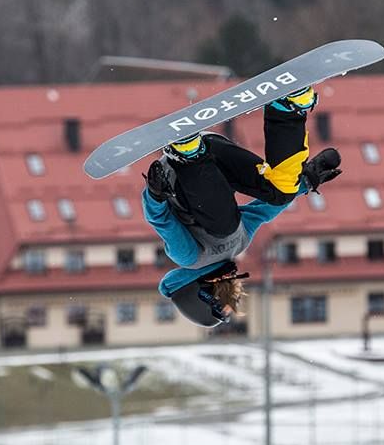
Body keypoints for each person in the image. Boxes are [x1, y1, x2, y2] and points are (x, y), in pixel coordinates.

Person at [141, 86, 343, 327]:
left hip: (178, 174)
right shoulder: (239, 244)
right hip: (214, 152)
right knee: (280, 193)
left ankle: (187, 153)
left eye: (226, 290)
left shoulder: (189, 256)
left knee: (224, 225)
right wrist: (304, 182)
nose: (232, 281)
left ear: (202, 293)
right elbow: (265, 210)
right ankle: (286, 109)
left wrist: (154, 194)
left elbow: (161, 220)